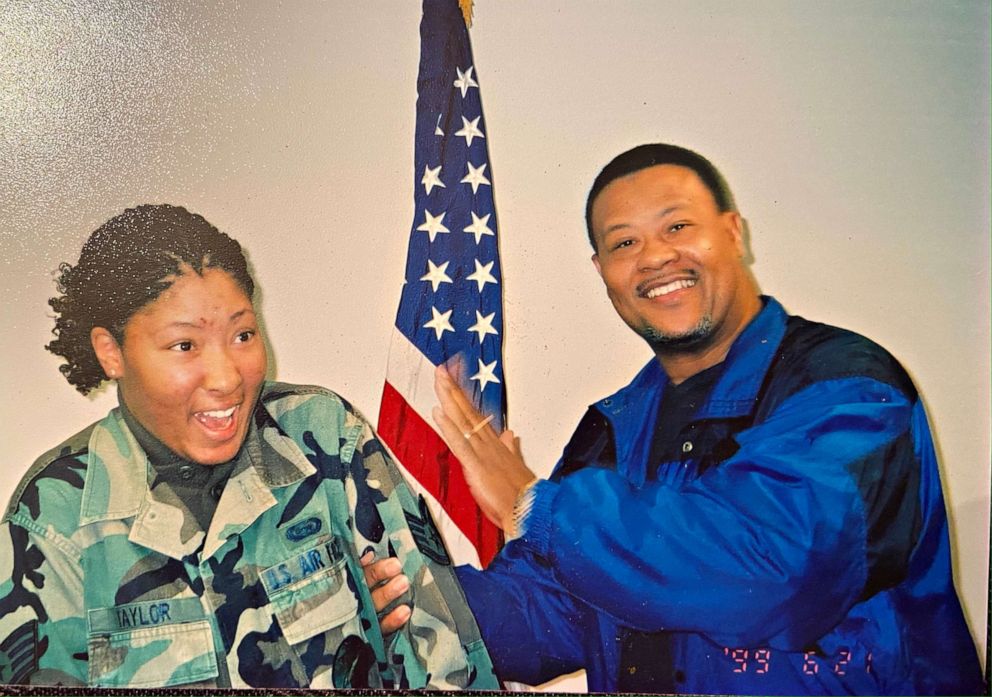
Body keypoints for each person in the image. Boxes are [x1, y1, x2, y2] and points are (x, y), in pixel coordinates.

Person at [367, 144, 986, 695]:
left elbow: (778, 571)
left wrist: (536, 506)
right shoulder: (613, 426)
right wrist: (418, 600)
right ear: (602, 273)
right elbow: (556, 612)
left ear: (735, 232)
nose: (655, 256)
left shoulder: (846, 381)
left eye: (678, 225)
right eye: (624, 243)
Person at [0, 204, 497, 690]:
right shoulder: (54, 516)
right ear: (112, 352)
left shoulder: (323, 439)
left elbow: (448, 654)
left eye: (242, 334)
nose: (227, 378)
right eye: (184, 346)